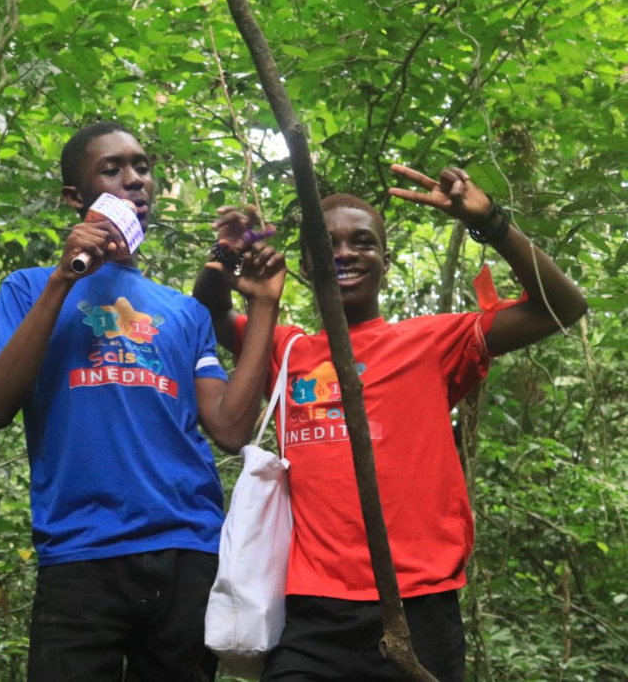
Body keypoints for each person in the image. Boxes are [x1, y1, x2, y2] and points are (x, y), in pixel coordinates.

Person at [193, 164, 588, 682]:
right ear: (306, 264)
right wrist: (227, 252)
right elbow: (207, 311)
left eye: (363, 242)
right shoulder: (286, 351)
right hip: (310, 612)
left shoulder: (432, 342)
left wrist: (490, 221)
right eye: (326, 242)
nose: (345, 253)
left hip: (418, 607)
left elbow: (562, 307)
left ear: (385, 259)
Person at [0, 121, 287, 682]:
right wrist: (63, 279)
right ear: (76, 197)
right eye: (113, 169)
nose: (134, 181)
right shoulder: (28, 288)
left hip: (187, 550)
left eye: (142, 167)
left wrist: (264, 306)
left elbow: (230, 429)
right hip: (80, 553)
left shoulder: (183, 312)